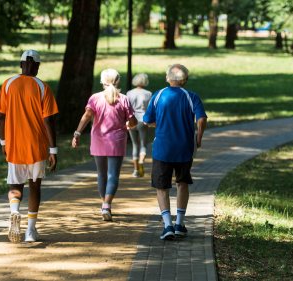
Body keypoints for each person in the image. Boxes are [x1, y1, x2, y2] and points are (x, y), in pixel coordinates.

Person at [0, 50, 59, 243]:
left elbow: (1, 117)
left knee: (15, 185)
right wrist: (53, 150)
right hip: (37, 146)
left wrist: (3, 142)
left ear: (21, 64)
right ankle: (31, 231)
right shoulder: (42, 87)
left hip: (15, 145)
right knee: (34, 186)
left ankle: (15, 211)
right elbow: (48, 121)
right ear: (37, 66)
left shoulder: (7, 84)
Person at [143, 64, 207, 240]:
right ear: (184, 80)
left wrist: (161, 124)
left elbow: (147, 121)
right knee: (182, 183)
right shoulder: (191, 96)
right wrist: (199, 138)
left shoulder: (158, 95)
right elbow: (201, 119)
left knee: (161, 187)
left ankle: (167, 225)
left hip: (162, 148)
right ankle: (180, 223)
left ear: (167, 78)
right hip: (185, 147)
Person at [72, 68, 137, 222]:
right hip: (117, 141)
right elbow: (132, 121)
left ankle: (104, 204)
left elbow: (87, 116)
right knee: (113, 174)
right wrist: (130, 125)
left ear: (102, 81)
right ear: (117, 81)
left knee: (101, 174)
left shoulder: (95, 98)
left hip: (98, 140)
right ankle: (107, 204)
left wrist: (77, 133)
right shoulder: (123, 99)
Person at [126, 73, 152, 178]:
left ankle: (136, 169)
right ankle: (142, 161)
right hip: (143, 120)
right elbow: (150, 109)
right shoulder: (148, 94)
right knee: (143, 144)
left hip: (132, 120)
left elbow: (126, 108)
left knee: (134, 144)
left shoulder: (129, 93)